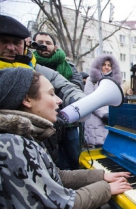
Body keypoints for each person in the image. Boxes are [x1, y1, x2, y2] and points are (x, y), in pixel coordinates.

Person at [0, 67, 133, 209]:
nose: (59, 100)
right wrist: (107, 188)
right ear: (27, 100)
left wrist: (101, 176)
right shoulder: (13, 144)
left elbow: (56, 175)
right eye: (51, 94)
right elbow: (63, 207)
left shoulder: (19, 136)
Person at [0, 13, 86, 168]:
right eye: (3, 41)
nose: (10, 47)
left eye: (16, 42)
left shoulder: (33, 67)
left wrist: (80, 102)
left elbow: (66, 86)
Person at [32, 31, 84, 170]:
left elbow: (76, 87)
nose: (44, 46)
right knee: (54, 162)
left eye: (48, 43)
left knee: (75, 157)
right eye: (40, 43)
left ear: (55, 47)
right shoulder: (30, 66)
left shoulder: (69, 67)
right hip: (44, 124)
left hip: (69, 123)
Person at [84, 54, 122, 148]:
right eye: (104, 64)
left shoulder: (115, 82)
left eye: (109, 65)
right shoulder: (91, 80)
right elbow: (90, 100)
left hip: (111, 119)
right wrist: (104, 114)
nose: (106, 67)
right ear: (99, 65)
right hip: (96, 119)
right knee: (98, 149)